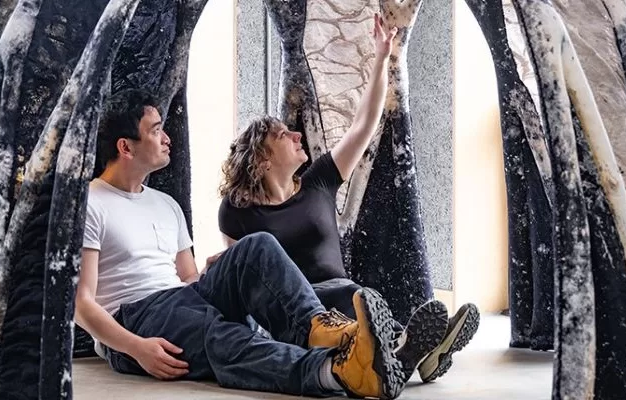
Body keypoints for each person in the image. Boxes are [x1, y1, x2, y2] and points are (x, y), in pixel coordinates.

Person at [74, 88, 411, 399]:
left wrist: (221, 268)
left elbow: (188, 279)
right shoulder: (90, 203)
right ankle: (337, 370)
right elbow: (80, 303)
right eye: (156, 130)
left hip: (182, 300)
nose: (166, 138)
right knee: (221, 334)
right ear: (125, 147)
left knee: (257, 246)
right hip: (136, 318)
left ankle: (322, 330)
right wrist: (135, 348)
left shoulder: (166, 205)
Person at [217, 14, 479, 383]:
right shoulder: (237, 211)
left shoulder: (318, 182)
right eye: (283, 135)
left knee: (358, 297)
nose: (296, 135)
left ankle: (410, 353)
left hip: (345, 296)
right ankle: (414, 349)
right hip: (297, 312)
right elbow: (242, 280)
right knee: (353, 299)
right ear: (261, 160)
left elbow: (364, 125)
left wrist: (381, 57)